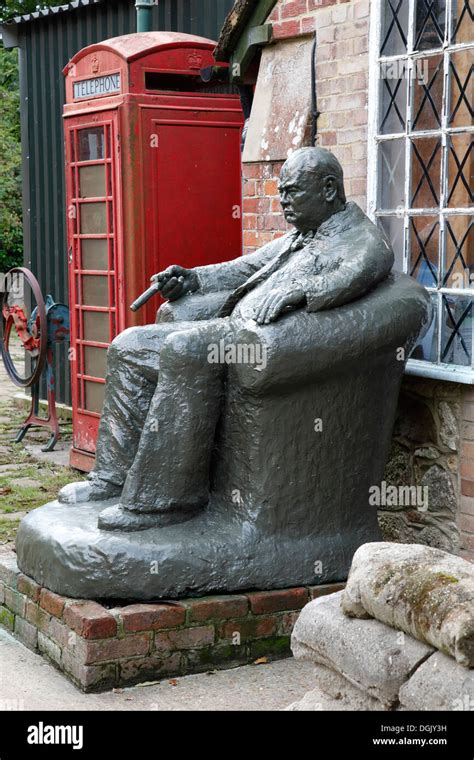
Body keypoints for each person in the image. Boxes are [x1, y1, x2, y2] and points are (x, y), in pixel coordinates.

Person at [59, 146, 394, 531]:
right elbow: (244, 267)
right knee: (129, 345)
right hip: (235, 329)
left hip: (265, 342)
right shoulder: (300, 234)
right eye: (280, 192)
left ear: (330, 189)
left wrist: (301, 291)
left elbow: (360, 271)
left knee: (183, 348)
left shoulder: (362, 239)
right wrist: (194, 277)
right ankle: (111, 477)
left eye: (292, 192)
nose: (283, 201)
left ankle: (163, 501)